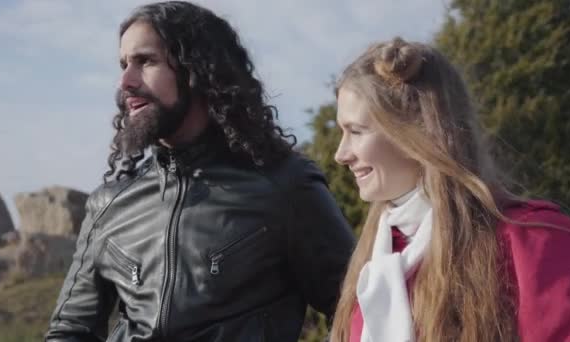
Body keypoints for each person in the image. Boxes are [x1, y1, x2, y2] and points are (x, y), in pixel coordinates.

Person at [45, 2, 355, 341]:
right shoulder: (108, 205)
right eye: (123, 65)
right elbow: (69, 331)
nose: (126, 82)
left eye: (145, 61)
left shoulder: (285, 186)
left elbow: (360, 313)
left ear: (196, 69)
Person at [329, 37, 570, 342]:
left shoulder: (530, 238)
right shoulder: (375, 262)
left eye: (356, 131)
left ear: (417, 133)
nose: (340, 154)